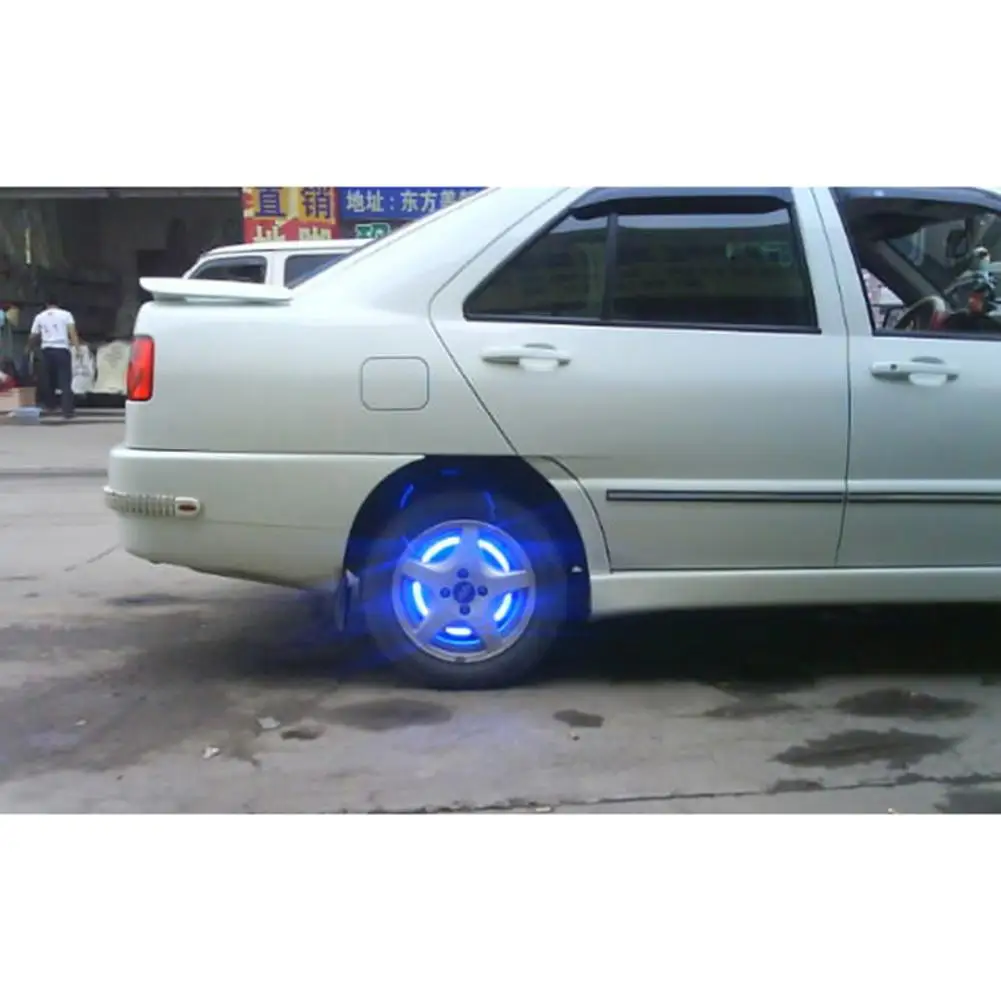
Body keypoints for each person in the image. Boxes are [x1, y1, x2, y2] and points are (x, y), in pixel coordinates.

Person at [28, 298, 80, 420]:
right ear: (58, 304)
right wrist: (77, 348)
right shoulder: (66, 315)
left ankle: (50, 406)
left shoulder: (40, 316)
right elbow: (72, 332)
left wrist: (29, 348)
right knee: (65, 381)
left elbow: (33, 335)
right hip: (62, 349)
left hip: (46, 351)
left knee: (47, 380)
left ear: (46, 304)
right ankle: (67, 411)